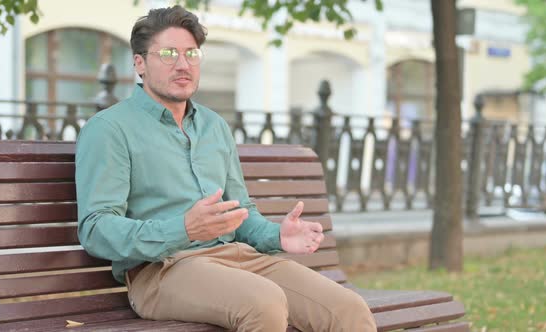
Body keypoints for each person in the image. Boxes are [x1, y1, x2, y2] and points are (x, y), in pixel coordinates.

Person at [75, 5, 376, 332]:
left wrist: (277, 235)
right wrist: (184, 229)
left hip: (237, 258)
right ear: (139, 63)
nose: (182, 63)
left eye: (192, 53)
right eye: (168, 53)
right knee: (263, 303)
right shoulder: (110, 129)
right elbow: (96, 228)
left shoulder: (213, 126)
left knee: (348, 309)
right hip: (162, 270)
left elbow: (240, 210)